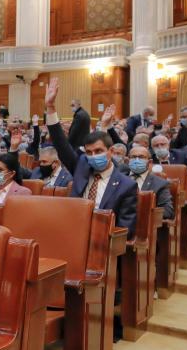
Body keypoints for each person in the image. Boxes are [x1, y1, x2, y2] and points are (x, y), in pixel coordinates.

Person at [44, 79, 138, 236]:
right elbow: (61, 144)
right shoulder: (81, 166)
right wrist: (51, 107)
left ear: (111, 152)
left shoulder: (126, 185)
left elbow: (125, 231)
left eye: (99, 151)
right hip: (72, 233)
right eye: (89, 152)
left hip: (102, 240)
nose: (93, 156)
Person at [125, 145, 174, 220]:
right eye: (133, 157)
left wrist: (144, 215)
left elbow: (168, 211)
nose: (137, 160)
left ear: (149, 162)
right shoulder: (118, 180)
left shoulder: (160, 183)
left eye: (141, 157)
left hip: (144, 224)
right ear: (128, 161)